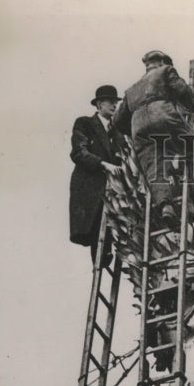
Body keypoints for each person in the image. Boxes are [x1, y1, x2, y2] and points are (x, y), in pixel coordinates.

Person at [113, 50, 194, 226]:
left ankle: (166, 207)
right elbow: (183, 91)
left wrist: (136, 129)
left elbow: (117, 120)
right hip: (163, 117)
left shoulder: (131, 89)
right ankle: (193, 202)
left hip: (138, 127)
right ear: (163, 62)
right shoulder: (166, 71)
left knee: (154, 169)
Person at [69, 85, 125, 264]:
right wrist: (103, 164)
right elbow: (79, 152)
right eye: (110, 102)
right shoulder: (84, 124)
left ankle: (104, 253)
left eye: (116, 103)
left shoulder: (117, 132)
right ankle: (100, 255)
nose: (114, 106)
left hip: (109, 187)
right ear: (99, 104)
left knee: (109, 217)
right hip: (90, 184)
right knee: (95, 221)